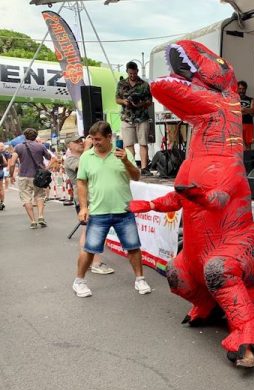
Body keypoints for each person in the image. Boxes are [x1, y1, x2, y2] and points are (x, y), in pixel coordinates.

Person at [72, 121, 150, 298]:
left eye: (98, 139)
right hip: (98, 212)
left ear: (109, 137)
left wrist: (125, 161)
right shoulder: (86, 156)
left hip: (123, 210)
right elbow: (81, 182)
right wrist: (83, 207)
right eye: (92, 139)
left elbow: (136, 176)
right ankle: (79, 281)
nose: (95, 142)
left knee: (133, 247)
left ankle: (140, 279)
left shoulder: (124, 153)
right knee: (90, 249)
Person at [63, 133, 114, 275]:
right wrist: (86, 147)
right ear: (69, 145)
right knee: (91, 231)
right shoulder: (71, 159)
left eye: (81, 140)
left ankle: (90, 261)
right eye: (76, 141)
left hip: (93, 198)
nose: (81, 142)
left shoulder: (86, 155)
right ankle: (95, 262)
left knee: (90, 230)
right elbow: (82, 168)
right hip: (84, 199)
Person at [8, 128, 53, 228]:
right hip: (38, 176)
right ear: (35, 136)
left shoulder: (18, 147)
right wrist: (46, 168)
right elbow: (50, 158)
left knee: (26, 199)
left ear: (24, 136)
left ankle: (33, 221)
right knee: (39, 196)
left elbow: (12, 163)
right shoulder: (40, 146)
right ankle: (41, 216)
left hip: (23, 176)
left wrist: (11, 175)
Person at [116, 61, 153, 176]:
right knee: (128, 144)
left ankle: (144, 168)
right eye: (130, 73)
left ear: (137, 71)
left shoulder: (144, 85)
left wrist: (140, 104)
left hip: (142, 117)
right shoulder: (121, 84)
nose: (132, 75)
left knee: (143, 143)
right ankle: (132, 167)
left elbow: (149, 101)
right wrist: (124, 101)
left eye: (134, 73)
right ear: (127, 71)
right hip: (127, 117)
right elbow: (117, 99)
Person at [237, 80, 254, 150]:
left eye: (243, 89)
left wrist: (242, 110)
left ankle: (248, 160)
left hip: (248, 124)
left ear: (245, 89)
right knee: (238, 145)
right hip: (237, 125)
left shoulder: (251, 99)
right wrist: (248, 110)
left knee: (248, 145)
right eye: (240, 89)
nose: (241, 90)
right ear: (237, 89)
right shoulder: (234, 99)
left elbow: (253, 111)